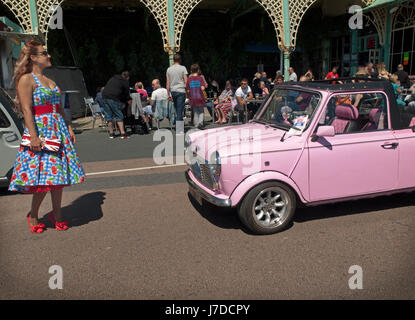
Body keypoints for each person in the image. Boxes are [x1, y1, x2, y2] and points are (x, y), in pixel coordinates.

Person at [8, 40, 85, 233]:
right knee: (44, 179)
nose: (48, 56)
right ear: (33, 57)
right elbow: (26, 109)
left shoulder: (50, 81)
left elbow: (58, 108)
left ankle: (56, 215)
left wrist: (68, 127)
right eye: (44, 53)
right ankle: (33, 215)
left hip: (57, 129)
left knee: (57, 176)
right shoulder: (27, 79)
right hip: (41, 131)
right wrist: (34, 136)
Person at [102, 71, 131, 139]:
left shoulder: (113, 78)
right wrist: (128, 100)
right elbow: (126, 93)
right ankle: (122, 133)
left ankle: (111, 133)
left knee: (108, 115)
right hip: (113, 98)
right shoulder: (124, 81)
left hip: (104, 96)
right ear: (127, 77)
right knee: (119, 114)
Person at [166, 53, 188, 132]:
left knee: (176, 109)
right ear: (180, 60)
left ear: (173, 60)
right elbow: (186, 81)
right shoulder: (183, 68)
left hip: (173, 91)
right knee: (180, 110)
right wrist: (187, 91)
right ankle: (179, 129)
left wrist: (168, 94)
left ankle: (178, 125)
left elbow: (167, 82)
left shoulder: (169, 69)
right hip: (181, 90)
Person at [186, 64, 207, 129]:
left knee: (195, 112)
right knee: (201, 111)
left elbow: (188, 90)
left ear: (191, 71)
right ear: (198, 70)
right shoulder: (200, 78)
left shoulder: (189, 79)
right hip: (200, 97)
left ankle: (196, 125)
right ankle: (200, 123)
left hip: (192, 98)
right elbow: (203, 88)